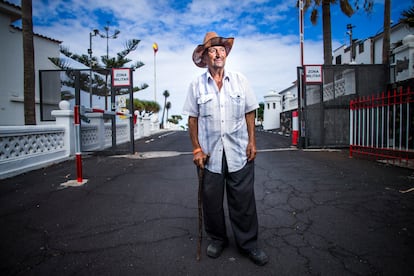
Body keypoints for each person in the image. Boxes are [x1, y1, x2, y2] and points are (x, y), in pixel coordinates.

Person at [182, 32, 268, 266]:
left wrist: (252, 141)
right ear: (205, 56)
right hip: (210, 155)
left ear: (226, 54)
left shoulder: (240, 80)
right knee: (211, 201)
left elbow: (250, 111)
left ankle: (248, 244)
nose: (218, 53)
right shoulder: (196, 85)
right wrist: (196, 149)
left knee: (243, 201)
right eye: (213, 50)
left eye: (221, 49)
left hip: (239, 150)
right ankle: (217, 239)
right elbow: (192, 119)